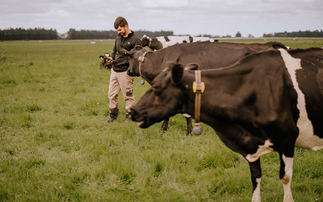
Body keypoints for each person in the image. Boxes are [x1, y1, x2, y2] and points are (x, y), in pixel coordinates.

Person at [105, 16, 142, 123]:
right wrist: (112, 58)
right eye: (117, 30)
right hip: (114, 70)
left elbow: (136, 58)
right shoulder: (118, 38)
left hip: (126, 72)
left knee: (128, 96)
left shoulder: (136, 41)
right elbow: (115, 51)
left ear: (126, 26)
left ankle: (129, 117)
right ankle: (113, 115)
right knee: (111, 94)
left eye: (120, 29)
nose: (119, 32)